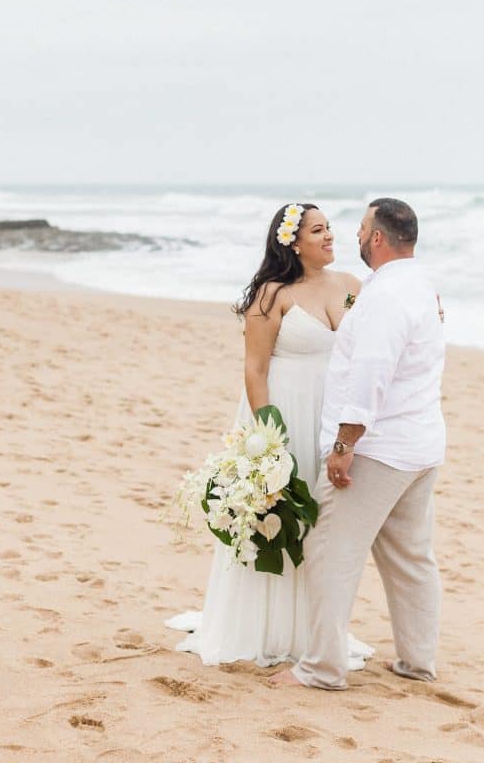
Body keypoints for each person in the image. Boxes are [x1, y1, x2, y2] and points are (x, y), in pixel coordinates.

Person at [165, 202, 372, 668]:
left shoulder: (351, 288)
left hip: (330, 415)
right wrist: (267, 440)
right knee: (280, 515)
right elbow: (255, 368)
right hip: (285, 413)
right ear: (293, 243)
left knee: (323, 521)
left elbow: (385, 325)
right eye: (318, 231)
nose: (329, 237)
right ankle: (263, 627)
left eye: (330, 229)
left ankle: (313, 630)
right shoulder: (271, 294)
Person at [271, 197, 447, 690]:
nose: (352, 236)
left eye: (360, 228)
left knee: (331, 553)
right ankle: (417, 661)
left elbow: (372, 371)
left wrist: (345, 443)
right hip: (420, 443)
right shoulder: (418, 286)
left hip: (379, 450)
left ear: (376, 237)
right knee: (411, 557)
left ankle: (322, 668)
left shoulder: (387, 296)